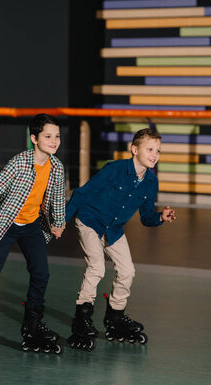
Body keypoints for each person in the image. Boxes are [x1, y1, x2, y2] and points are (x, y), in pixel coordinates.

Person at [0, 113, 66, 356]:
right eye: (48, 136)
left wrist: (58, 223)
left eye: (57, 136)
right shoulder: (19, 163)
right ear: (34, 138)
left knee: (41, 274)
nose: (54, 141)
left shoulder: (56, 167)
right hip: (6, 225)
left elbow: (57, 198)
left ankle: (32, 328)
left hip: (32, 226)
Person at [65, 128, 176, 351]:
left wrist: (160, 217)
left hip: (113, 229)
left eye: (158, 151)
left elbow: (146, 218)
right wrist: (62, 221)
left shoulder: (150, 182)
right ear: (134, 150)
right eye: (150, 149)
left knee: (127, 271)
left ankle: (115, 317)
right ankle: (82, 318)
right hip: (90, 221)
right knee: (97, 267)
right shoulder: (114, 169)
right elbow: (81, 194)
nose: (155, 154)